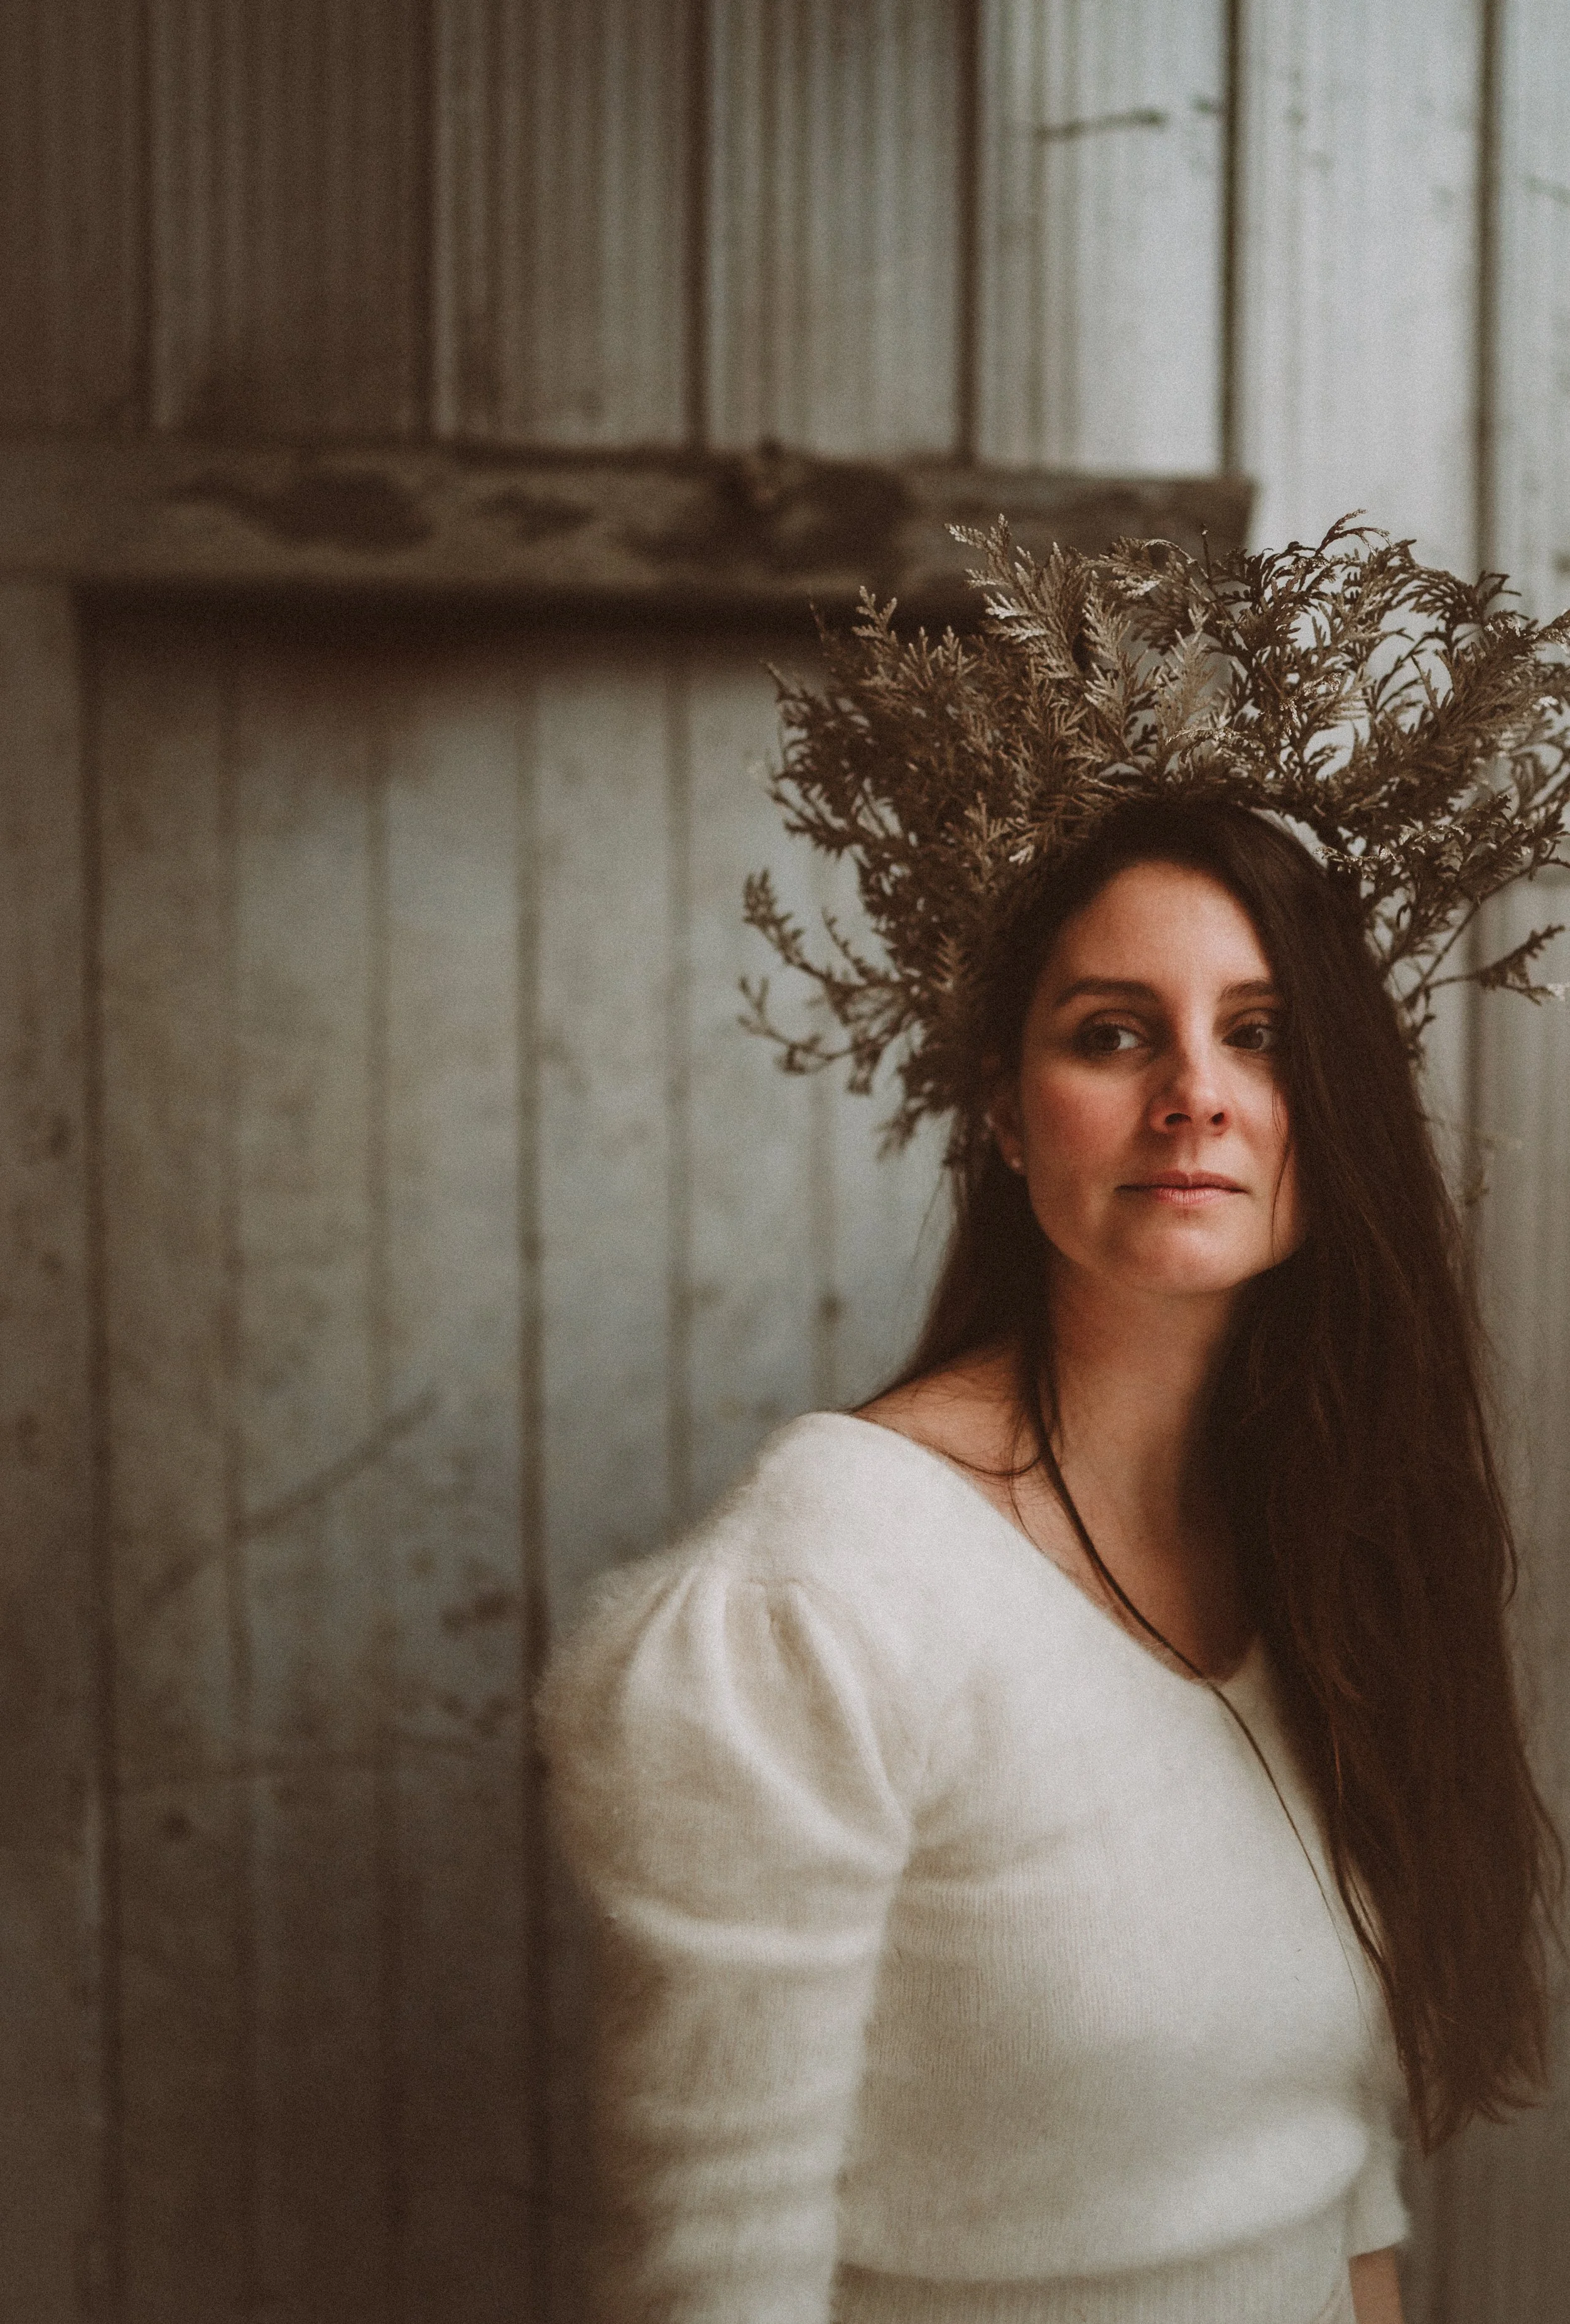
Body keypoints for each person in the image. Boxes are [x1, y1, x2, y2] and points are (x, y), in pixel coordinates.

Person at [538, 523, 1566, 2324]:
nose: (1197, 1096)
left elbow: (1337, 2191)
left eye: (1259, 1033)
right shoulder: (828, 1588)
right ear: (1008, 1118)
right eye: (1113, 1034)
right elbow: (712, 2270)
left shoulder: (1314, 1545)